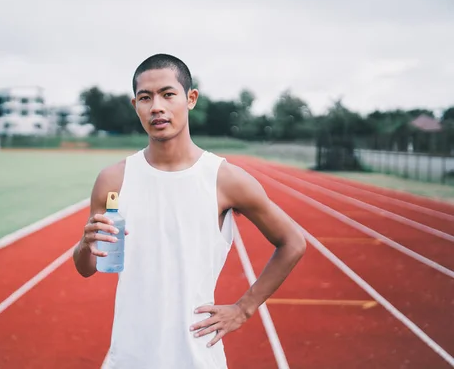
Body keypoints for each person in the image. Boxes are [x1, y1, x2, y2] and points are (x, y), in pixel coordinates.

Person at [73, 53, 306, 368]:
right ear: (135, 106)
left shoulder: (225, 179)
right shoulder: (113, 179)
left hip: (197, 357)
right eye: (146, 97)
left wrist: (244, 308)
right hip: (128, 356)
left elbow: (293, 241)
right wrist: (85, 245)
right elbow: (86, 267)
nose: (157, 106)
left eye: (168, 94)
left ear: (190, 98)